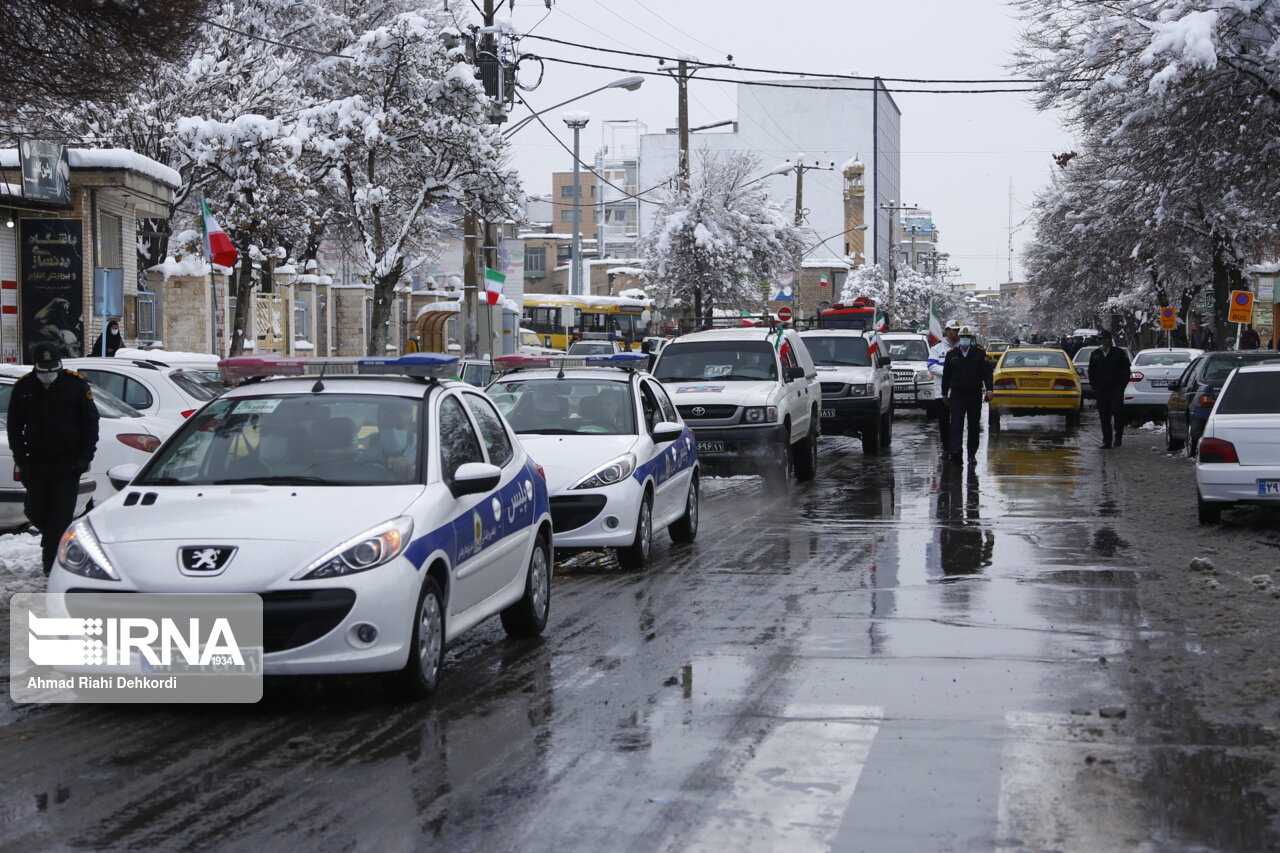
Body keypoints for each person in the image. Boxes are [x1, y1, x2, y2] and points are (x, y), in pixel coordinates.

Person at [7, 341, 100, 574]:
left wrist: (84, 457)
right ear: (35, 367)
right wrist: (21, 460)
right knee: (35, 509)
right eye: (43, 370)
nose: (48, 375)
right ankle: (51, 538)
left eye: (52, 370)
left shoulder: (75, 385)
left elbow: (91, 423)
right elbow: (14, 427)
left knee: (60, 516)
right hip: (36, 463)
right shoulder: (24, 387)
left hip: (67, 464)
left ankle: (52, 566)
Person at [941, 326, 993, 464]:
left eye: (967, 338)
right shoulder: (952, 354)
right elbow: (946, 376)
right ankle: (956, 450)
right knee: (956, 424)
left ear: (972, 339)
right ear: (959, 339)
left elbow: (987, 373)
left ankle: (971, 454)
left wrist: (989, 389)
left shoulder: (980, 353)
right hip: (957, 394)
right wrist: (944, 394)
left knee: (974, 425)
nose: (964, 340)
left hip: (974, 394)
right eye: (962, 337)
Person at [1087, 329, 1131, 449]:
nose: (1099, 341)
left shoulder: (1119, 353)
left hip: (1116, 390)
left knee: (1118, 413)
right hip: (1101, 391)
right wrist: (1095, 387)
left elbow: (1126, 371)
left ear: (1108, 340)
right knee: (1104, 416)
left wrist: (1121, 387)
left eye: (1101, 339)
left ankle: (1118, 437)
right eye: (1098, 339)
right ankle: (1107, 440)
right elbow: (1091, 372)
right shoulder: (1095, 354)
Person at [927, 319, 962, 456]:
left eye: (958, 330)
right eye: (953, 330)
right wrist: (949, 371)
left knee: (957, 422)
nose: (956, 333)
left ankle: (956, 448)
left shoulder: (963, 348)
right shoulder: (937, 348)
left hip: (958, 391)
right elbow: (931, 366)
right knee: (944, 422)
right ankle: (946, 448)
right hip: (941, 392)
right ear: (947, 331)